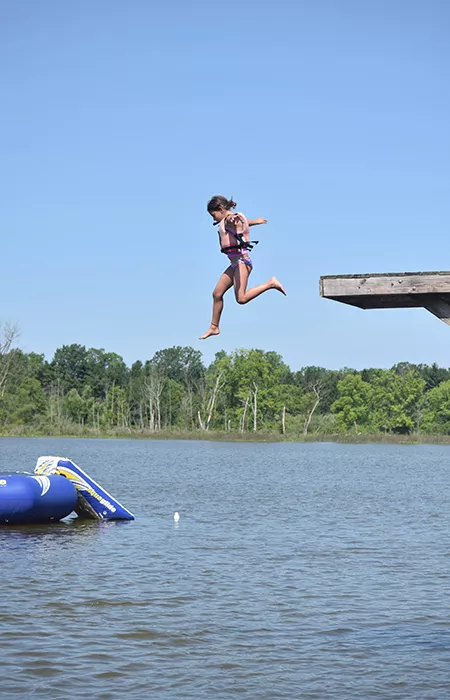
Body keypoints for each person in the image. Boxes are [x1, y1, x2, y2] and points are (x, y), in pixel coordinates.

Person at [200, 195, 286, 340]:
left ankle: (270, 283)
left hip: (242, 262)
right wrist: (255, 222)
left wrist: (238, 220)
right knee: (217, 294)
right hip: (234, 263)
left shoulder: (230, 219)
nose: (213, 219)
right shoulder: (228, 221)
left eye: (213, 215)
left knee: (241, 298)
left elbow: (236, 220)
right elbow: (241, 223)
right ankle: (214, 327)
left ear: (220, 210)